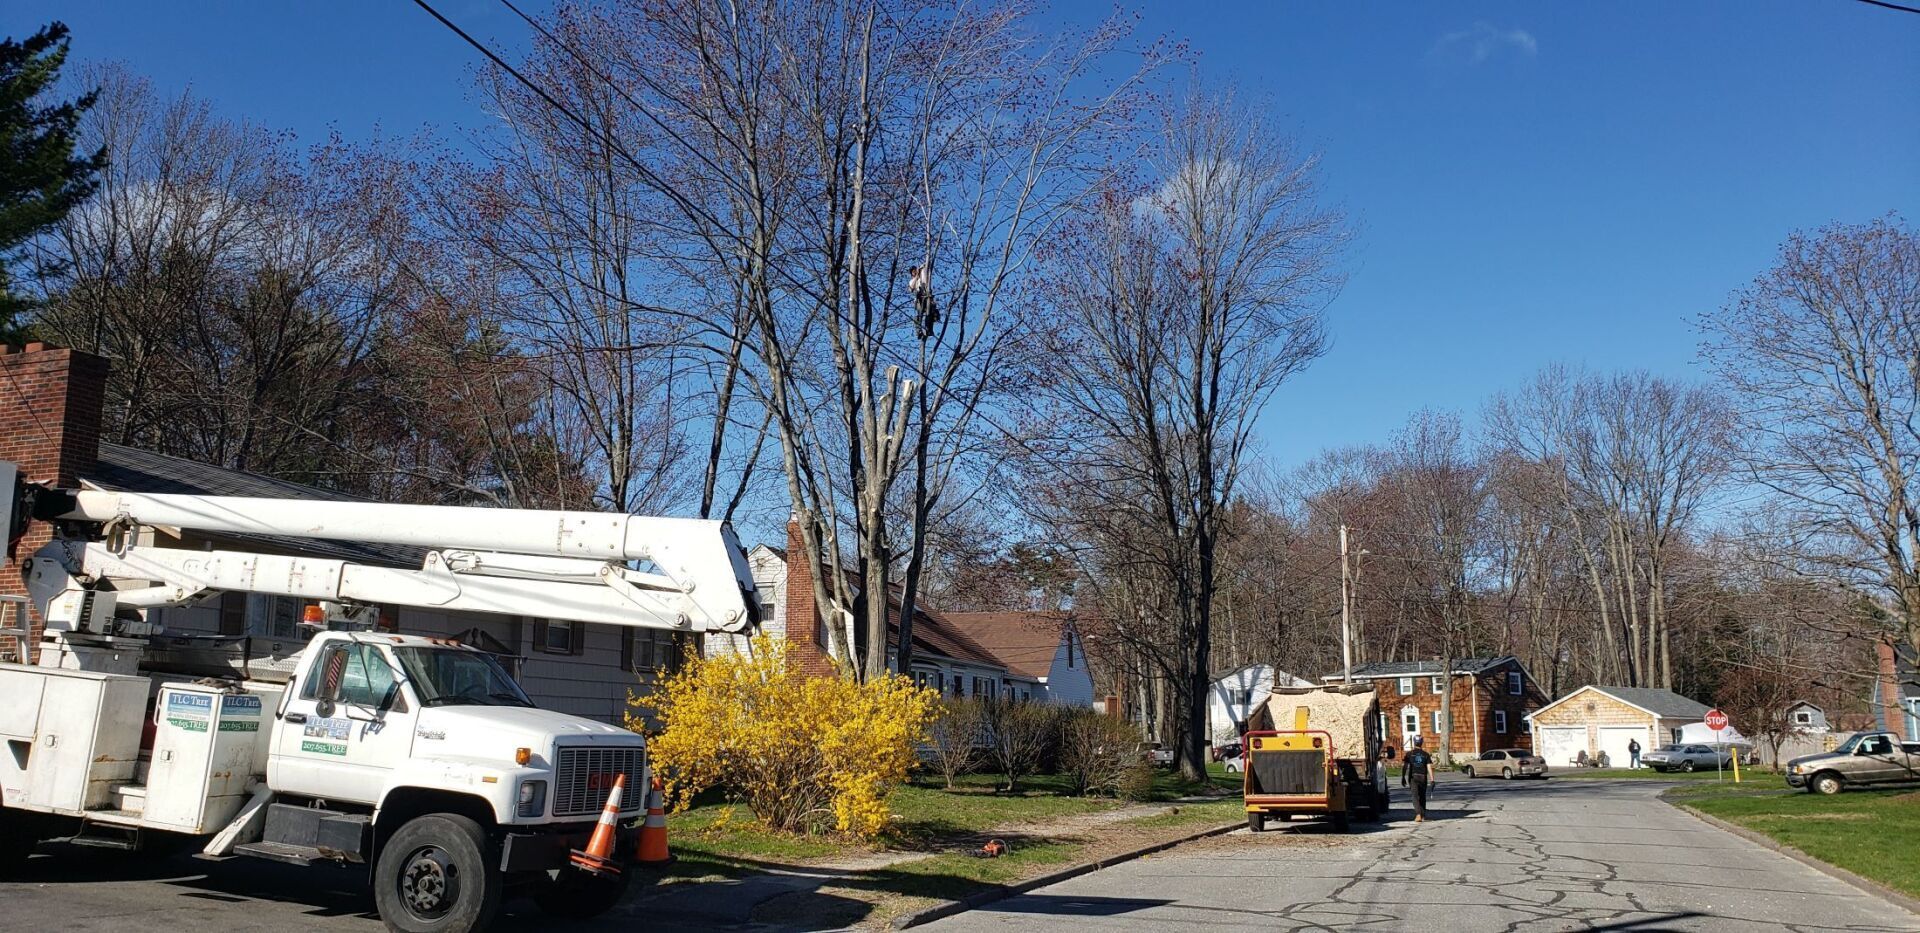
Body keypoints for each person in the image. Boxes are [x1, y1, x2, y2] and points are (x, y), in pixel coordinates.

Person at [1401, 735, 1436, 823]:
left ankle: (1418, 814)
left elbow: (1405, 766)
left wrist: (1403, 777)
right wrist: (1432, 780)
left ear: (1414, 742)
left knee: (1415, 796)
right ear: (1422, 742)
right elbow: (1429, 767)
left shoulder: (1409, 754)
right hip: (1423, 777)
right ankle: (1423, 815)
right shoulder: (1425, 754)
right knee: (1422, 796)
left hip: (1413, 777)